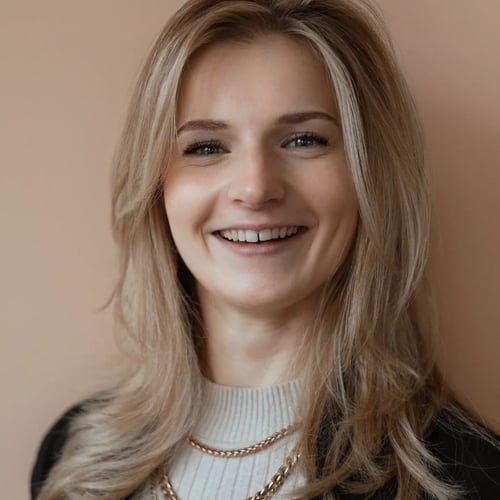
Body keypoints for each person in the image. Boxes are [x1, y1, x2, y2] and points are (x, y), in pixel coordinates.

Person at [31, 0, 500, 499]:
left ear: (371, 177)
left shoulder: (472, 479)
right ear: (156, 188)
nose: (255, 189)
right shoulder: (70, 458)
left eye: (304, 140)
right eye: (206, 147)